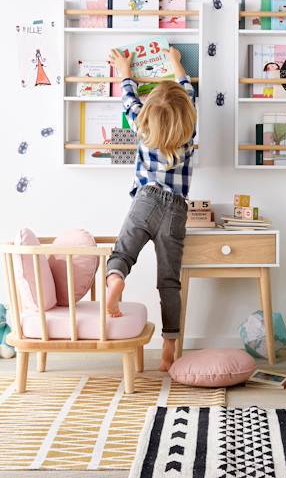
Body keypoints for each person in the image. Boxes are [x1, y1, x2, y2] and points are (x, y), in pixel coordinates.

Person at [106, 46, 196, 371]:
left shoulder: (141, 128)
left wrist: (125, 70)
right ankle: (170, 344)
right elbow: (188, 93)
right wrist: (176, 64)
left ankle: (117, 278)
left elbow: (129, 98)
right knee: (169, 281)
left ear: (147, 115)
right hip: (176, 211)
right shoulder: (189, 133)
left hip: (145, 199)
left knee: (123, 252)